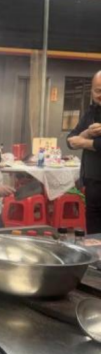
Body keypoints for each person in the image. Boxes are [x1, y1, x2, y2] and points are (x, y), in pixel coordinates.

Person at [67, 71, 101, 233]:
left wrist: (85, 143)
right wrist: (86, 133)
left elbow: (78, 141)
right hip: (92, 180)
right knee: (93, 226)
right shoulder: (91, 112)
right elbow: (70, 140)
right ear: (92, 91)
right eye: (98, 90)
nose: (100, 95)